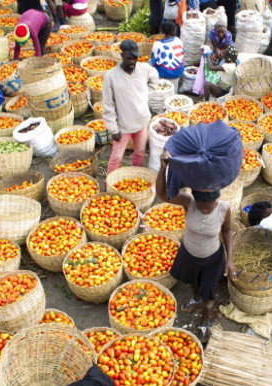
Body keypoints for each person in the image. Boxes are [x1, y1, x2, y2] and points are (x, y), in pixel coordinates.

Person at [156, 150, 235, 343]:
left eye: (210, 206)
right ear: (195, 199)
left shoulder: (224, 209)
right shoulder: (188, 202)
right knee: (192, 281)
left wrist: (230, 259)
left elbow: (227, 231)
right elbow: (162, 194)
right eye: (202, 206)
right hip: (189, 253)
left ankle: (205, 321)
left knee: (209, 297)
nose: (206, 209)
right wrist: (162, 167)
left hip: (212, 258)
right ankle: (196, 297)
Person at [102, 40, 159, 173]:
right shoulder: (111, 76)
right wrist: (113, 129)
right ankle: (109, 184)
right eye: (129, 58)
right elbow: (108, 105)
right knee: (116, 157)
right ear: (121, 56)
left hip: (142, 122)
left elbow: (155, 76)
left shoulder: (144, 69)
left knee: (140, 153)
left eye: (135, 57)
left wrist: (147, 94)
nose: (133, 61)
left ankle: (136, 176)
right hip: (123, 127)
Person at [150, 21, 184, 87]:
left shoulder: (157, 44)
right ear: (172, 31)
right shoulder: (178, 40)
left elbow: (153, 62)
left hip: (164, 74)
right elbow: (182, 54)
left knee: (150, 63)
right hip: (178, 72)